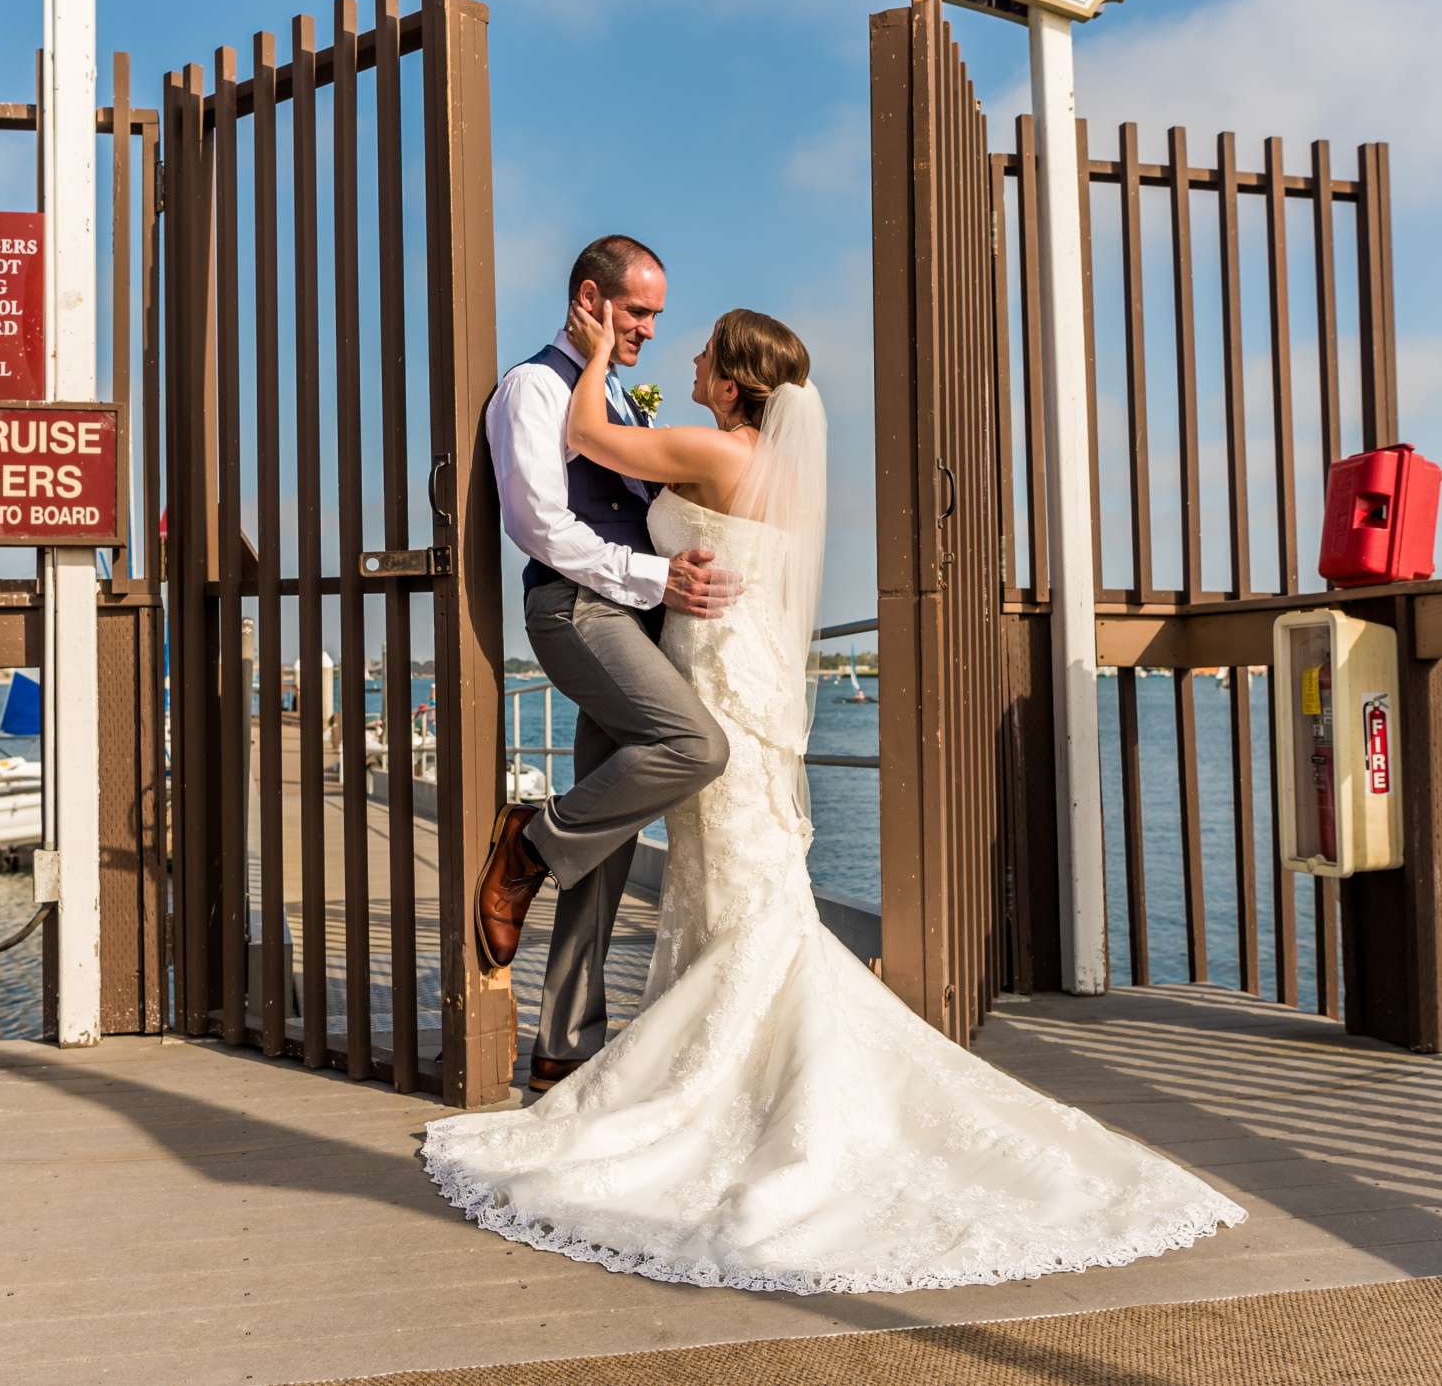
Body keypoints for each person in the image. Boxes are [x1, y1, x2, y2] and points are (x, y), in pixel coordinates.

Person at [425, 300, 1247, 1293]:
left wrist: (595, 355)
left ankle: (633, 975)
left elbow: (590, 436)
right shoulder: (753, 463)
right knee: (739, 874)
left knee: (727, 860)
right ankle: (664, 1042)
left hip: (716, 675)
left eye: (701, 355)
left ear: (732, 386)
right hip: (738, 671)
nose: (680, 354)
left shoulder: (720, 453)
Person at [475, 234, 743, 1093]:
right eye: (638, 311)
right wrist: (653, 574)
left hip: (633, 618)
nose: (651, 329)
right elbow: (540, 525)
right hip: (576, 608)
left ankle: (565, 1048)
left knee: (616, 835)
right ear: (590, 299)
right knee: (695, 747)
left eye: (658, 314)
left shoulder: (614, 395)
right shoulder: (533, 387)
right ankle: (528, 844)